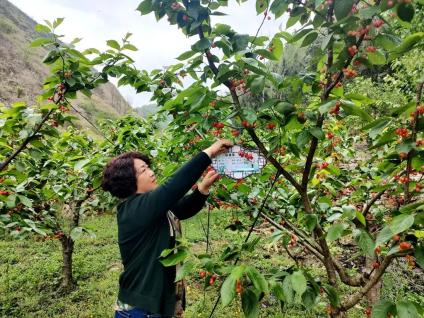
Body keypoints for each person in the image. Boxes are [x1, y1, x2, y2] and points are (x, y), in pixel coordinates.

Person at [101, 139, 233, 318]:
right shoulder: (134, 209)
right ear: (128, 180)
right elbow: (173, 187)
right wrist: (208, 153)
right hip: (141, 310)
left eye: (148, 167)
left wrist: (202, 188)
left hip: (160, 304)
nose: (151, 172)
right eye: (143, 170)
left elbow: (181, 210)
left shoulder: (152, 206)